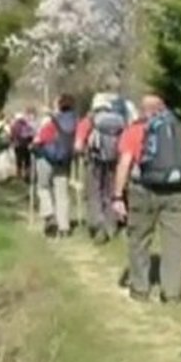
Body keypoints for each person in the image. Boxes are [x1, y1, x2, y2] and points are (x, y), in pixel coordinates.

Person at [111, 94, 181, 303]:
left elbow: (124, 163)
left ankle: (140, 288)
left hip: (143, 191)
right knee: (174, 242)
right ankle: (172, 292)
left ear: (143, 110)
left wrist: (117, 195)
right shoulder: (177, 128)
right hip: (175, 192)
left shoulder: (134, 130)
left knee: (139, 239)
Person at [75, 79, 137, 244]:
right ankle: (111, 225)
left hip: (94, 160)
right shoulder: (122, 117)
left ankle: (98, 225)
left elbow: (78, 145)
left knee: (94, 192)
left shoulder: (90, 120)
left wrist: (81, 151)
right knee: (112, 192)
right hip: (116, 160)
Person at [32, 94, 78, 239]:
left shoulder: (51, 121)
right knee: (62, 193)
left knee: (43, 187)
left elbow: (41, 139)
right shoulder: (76, 121)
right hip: (64, 160)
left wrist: (34, 146)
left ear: (59, 105)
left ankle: (49, 215)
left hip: (46, 158)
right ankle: (64, 226)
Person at [10, 106, 38, 183]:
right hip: (27, 145)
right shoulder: (27, 125)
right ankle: (27, 176)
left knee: (18, 161)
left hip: (18, 145)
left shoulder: (14, 125)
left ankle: (18, 176)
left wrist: (12, 142)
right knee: (27, 161)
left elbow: (12, 135)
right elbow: (32, 134)